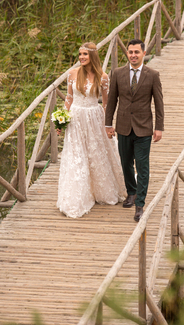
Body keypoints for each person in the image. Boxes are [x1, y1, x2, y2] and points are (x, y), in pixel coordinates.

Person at [57, 42, 126, 218]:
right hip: (76, 118)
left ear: (92, 56)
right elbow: (69, 99)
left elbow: (106, 103)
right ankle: (76, 198)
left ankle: (100, 190)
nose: (81, 58)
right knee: (76, 155)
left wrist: (108, 124)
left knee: (96, 154)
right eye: (80, 54)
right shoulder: (72, 74)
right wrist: (61, 121)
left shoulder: (102, 77)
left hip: (94, 117)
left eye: (85, 55)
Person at [105, 38, 164, 222]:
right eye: (130, 52)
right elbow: (112, 100)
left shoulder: (152, 75)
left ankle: (140, 204)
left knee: (142, 165)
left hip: (144, 127)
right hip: (123, 125)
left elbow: (159, 103)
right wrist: (108, 124)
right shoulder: (117, 73)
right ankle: (131, 191)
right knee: (125, 162)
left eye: (136, 52)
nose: (133, 55)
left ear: (144, 54)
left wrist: (159, 127)